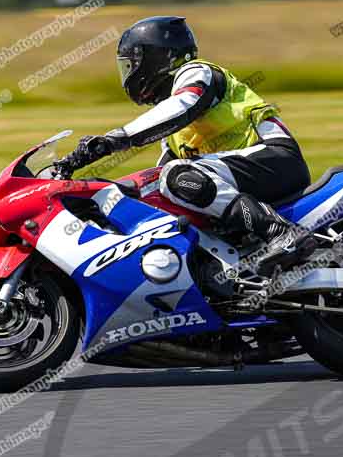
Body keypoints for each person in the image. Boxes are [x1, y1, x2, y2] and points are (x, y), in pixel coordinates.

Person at [56, 16, 315, 274]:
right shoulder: (174, 131)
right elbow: (154, 182)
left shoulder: (198, 73)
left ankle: (282, 233)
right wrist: (108, 191)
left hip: (274, 158)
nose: (129, 74)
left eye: (132, 65)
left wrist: (113, 140)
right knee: (170, 185)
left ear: (157, 58)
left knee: (178, 176)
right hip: (240, 176)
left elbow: (182, 106)